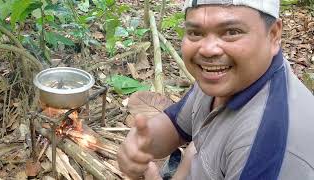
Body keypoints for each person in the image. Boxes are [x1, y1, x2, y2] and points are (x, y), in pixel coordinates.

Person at [117, 0, 314, 179]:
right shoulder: (230, 77)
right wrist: (139, 147)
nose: (208, 49)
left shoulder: (268, 146)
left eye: (231, 32)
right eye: (195, 33)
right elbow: (177, 125)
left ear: (273, 35)